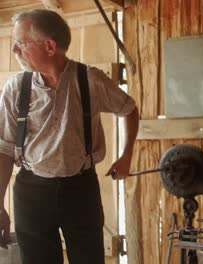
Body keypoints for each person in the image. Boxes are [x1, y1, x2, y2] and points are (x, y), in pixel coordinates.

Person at [0, 9, 139, 264]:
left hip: (80, 189)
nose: (15, 50)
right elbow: (5, 149)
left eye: (20, 43)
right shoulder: (16, 88)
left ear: (50, 46)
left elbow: (129, 109)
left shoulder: (90, 80)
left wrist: (126, 156)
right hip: (32, 192)